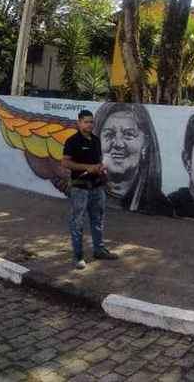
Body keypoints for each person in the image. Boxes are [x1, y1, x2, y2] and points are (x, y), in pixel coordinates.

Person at [61, 109, 119, 269]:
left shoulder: (96, 140)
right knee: (77, 222)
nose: (89, 124)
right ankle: (78, 256)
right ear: (79, 122)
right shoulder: (72, 141)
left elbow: (97, 162)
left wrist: (103, 175)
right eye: (86, 121)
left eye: (91, 121)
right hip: (80, 188)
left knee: (98, 220)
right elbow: (65, 163)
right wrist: (87, 167)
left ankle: (99, 250)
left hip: (97, 188)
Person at [93, 103, 172, 216]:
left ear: (145, 143)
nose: (118, 144)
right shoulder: (83, 194)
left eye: (128, 134)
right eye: (109, 134)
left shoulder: (160, 207)